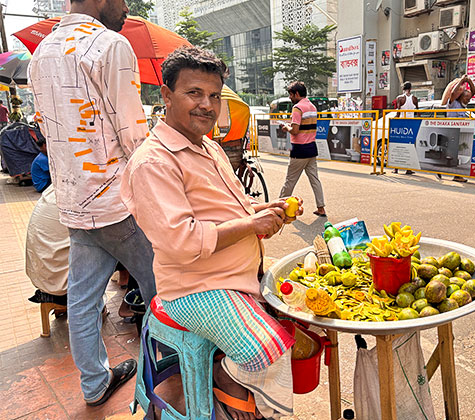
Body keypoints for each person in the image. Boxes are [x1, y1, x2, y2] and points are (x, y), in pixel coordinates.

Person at [121, 47, 299, 420]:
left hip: (236, 276)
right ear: (166, 96)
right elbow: (181, 240)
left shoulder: (211, 148)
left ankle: (236, 386)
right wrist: (250, 225)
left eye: (214, 95)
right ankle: (227, 385)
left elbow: (230, 206)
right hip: (196, 288)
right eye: (194, 93)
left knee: (302, 316)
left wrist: (257, 210)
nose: (207, 104)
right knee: (270, 350)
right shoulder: (154, 161)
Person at [28, 0, 157, 406]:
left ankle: (94, 385)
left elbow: (48, 130)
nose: (125, 9)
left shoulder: (40, 54)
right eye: (121, 1)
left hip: (73, 200)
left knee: (83, 301)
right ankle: (164, 377)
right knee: (164, 288)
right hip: (118, 202)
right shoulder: (110, 45)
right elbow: (134, 135)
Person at [279, 81, 327, 217]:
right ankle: (321, 208)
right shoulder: (312, 107)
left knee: (290, 181)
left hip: (299, 150)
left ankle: (278, 207)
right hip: (311, 148)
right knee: (315, 180)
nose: (290, 97)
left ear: (297, 94)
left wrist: (286, 127)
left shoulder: (297, 108)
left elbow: (294, 131)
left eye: (291, 94)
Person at [441, 75, 475, 183]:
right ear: (460, 96)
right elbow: (452, 93)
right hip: (452, 132)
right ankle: (455, 175)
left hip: (460, 133)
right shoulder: (453, 103)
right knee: (453, 155)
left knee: (456, 154)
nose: (468, 100)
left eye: (469, 99)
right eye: (466, 98)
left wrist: (469, 81)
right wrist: (461, 80)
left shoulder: (462, 106)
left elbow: (473, 93)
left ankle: (451, 173)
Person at [395, 82, 418, 174]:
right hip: (411, 125)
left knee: (398, 146)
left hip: (401, 125)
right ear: (411, 88)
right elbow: (417, 112)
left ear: (403, 88)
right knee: (410, 146)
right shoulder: (415, 99)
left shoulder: (400, 98)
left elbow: (398, 113)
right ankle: (408, 169)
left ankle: (396, 168)